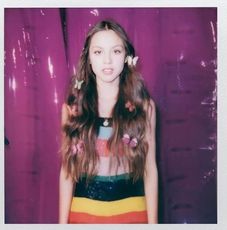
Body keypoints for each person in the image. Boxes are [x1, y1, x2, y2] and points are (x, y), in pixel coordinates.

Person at [59, 19, 158, 224]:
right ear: (88, 59)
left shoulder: (144, 108)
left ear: (126, 57)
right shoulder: (73, 110)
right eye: (98, 52)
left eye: (115, 51)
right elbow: (67, 171)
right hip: (83, 217)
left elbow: (150, 169)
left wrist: (153, 224)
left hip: (133, 217)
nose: (107, 61)